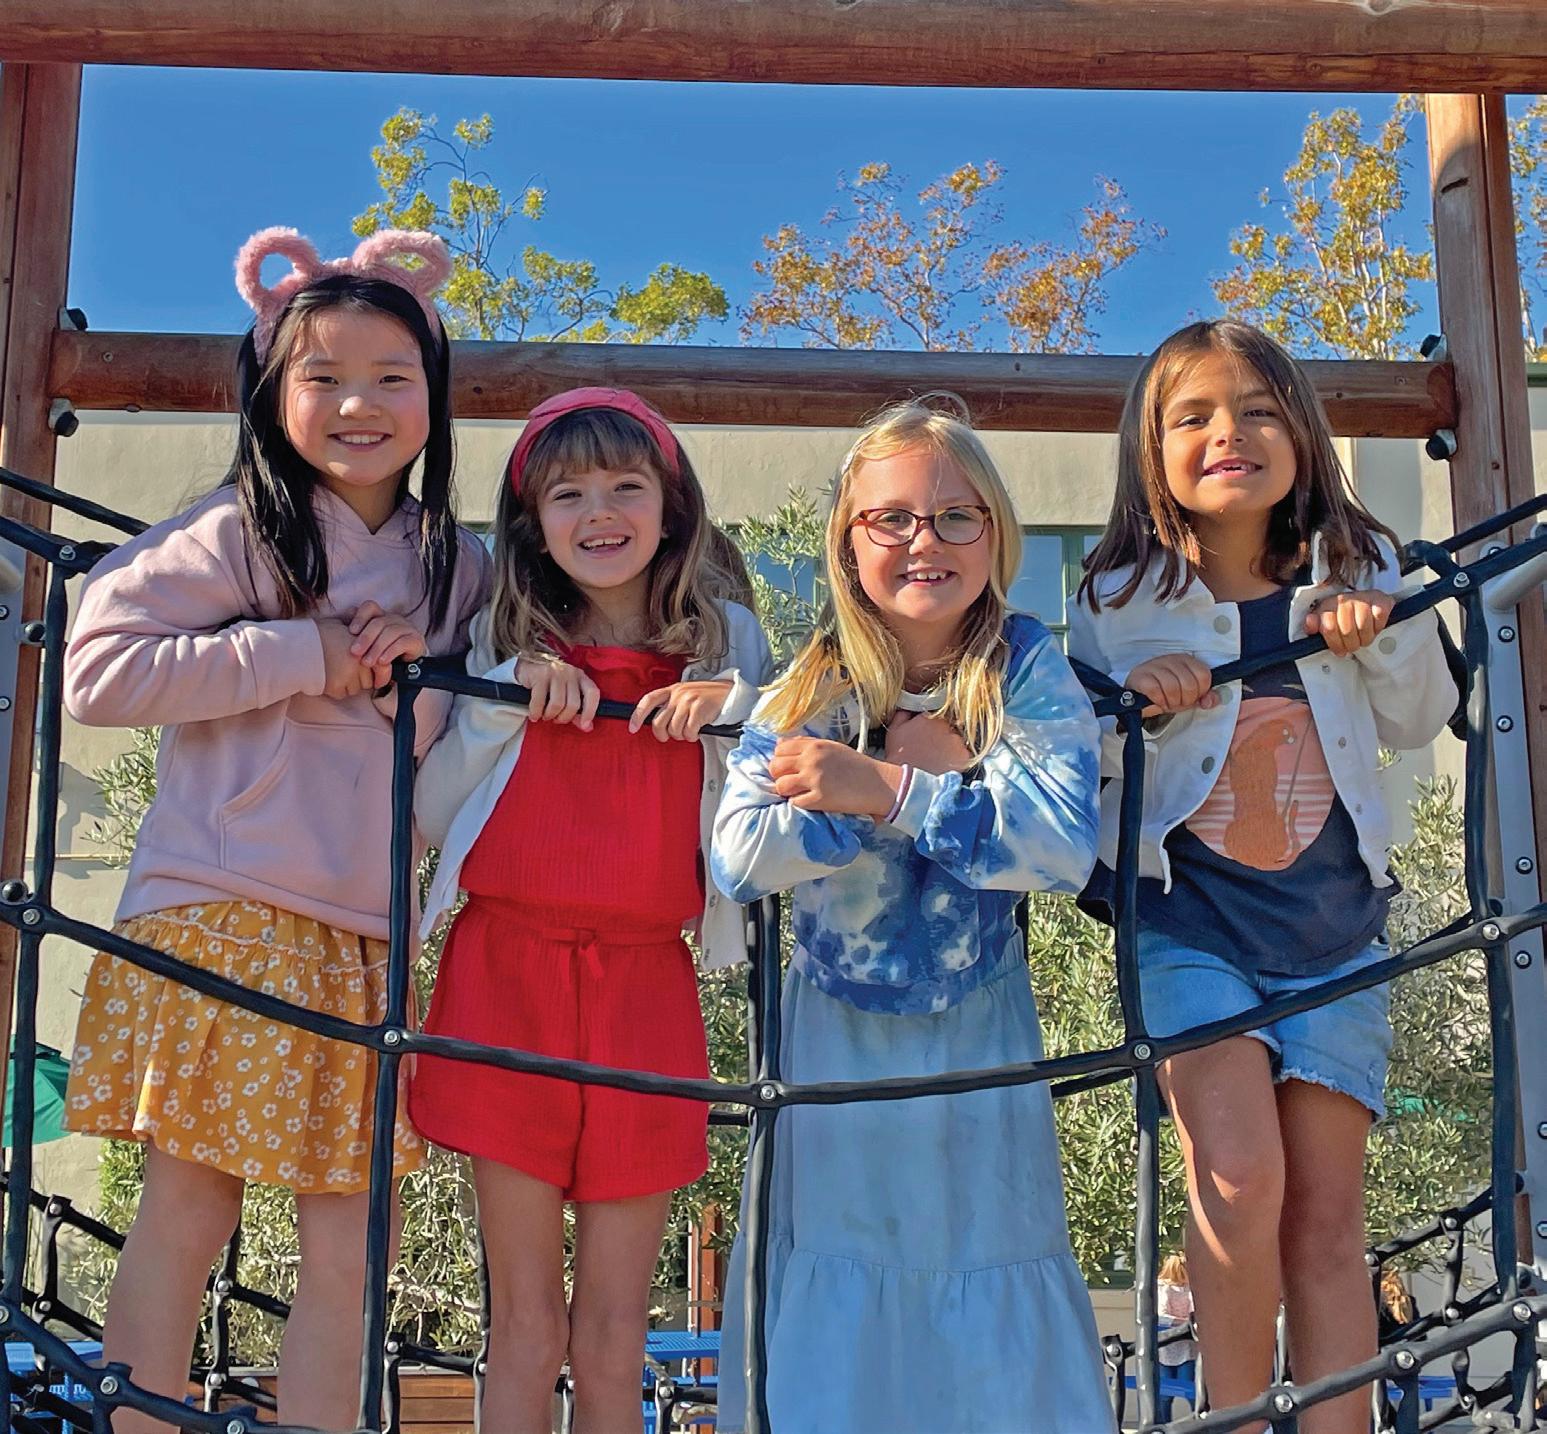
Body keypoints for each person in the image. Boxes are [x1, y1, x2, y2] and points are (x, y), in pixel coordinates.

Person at [62, 226, 490, 1430]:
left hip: (367, 930)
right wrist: (301, 652)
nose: (359, 403)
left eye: (391, 376)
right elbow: (98, 668)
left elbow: (469, 726)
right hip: (227, 901)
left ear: (433, 397)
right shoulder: (241, 529)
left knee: (354, 1232)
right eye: (324, 376)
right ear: (270, 393)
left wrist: (415, 682)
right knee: (191, 1204)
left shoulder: (456, 567)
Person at [1068, 319, 1457, 1434]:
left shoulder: (1359, 568)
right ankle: (1231, 1417)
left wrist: (1376, 633)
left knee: (1325, 1222)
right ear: (1150, 451)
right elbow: (1079, 763)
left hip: (1335, 936)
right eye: (1191, 416)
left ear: (1301, 435)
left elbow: (1419, 714)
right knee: (1236, 1180)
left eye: (1255, 410)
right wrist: (1137, 706)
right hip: (1187, 927)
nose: (1226, 434)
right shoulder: (1116, 596)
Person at [711, 395, 1114, 1433]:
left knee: (984, 1243)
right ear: (847, 544)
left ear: (994, 533)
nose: (922, 541)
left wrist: (894, 793)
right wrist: (882, 778)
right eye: (889, 518)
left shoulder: (1025, 671)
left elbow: (1059, 845)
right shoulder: (812, 682)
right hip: (832, 1045)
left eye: (953, 516)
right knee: (843, 1253)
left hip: (978, 1031)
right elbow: (738, 854)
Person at [408, 388, 773, 1433]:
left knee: (615, 1331)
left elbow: (792, 766)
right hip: (501, 980)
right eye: (567, 494)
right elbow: (429, 815)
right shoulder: (499, 635)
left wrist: (733, 709)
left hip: (645, 990)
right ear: (531, 521)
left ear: (671, 505)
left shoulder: (726, 642)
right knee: (524, 1324)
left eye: (625, 486)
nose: (599, 512)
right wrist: (503, 698)